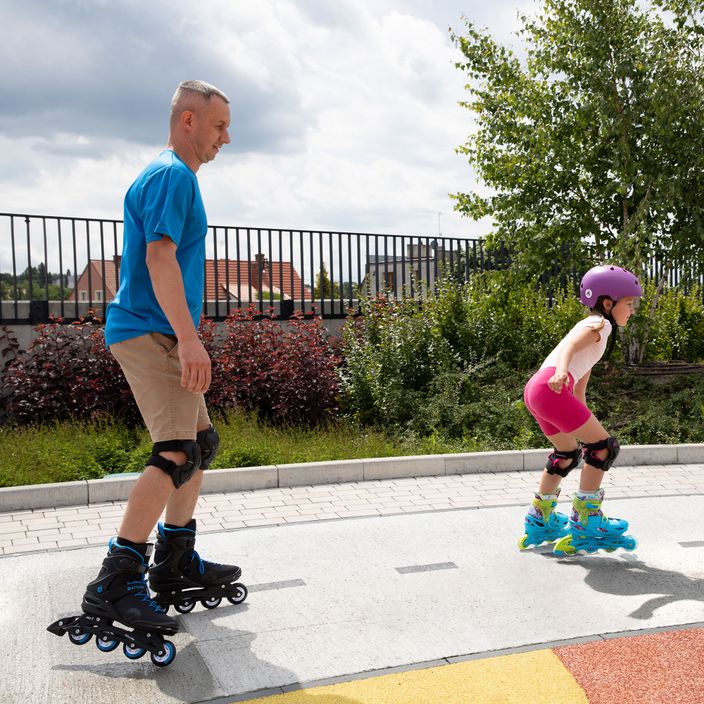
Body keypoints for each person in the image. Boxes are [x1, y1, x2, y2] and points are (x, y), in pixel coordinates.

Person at [48, 80, 245, 666]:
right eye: (218, 126)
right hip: (150, 332)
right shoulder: (172, 176)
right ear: (189, 120)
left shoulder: (172, 176)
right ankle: (116, 576)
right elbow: (158, 257)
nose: (225, 139)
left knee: (199, 443)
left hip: (158, 330)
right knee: (176, 450)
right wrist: (188, 339)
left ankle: (175, 559)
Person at [518, 264, 643, 555]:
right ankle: (587, 522)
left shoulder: (595, 328)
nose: (632, 309)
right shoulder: (600, 324)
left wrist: (582, 416)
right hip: (552, 387)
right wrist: (561, 371)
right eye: (629, 303)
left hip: (538, 390)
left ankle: (541, 518)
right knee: (604, 449)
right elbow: (570, 348)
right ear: (608, 303)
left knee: (567, 454)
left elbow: (579, 390)